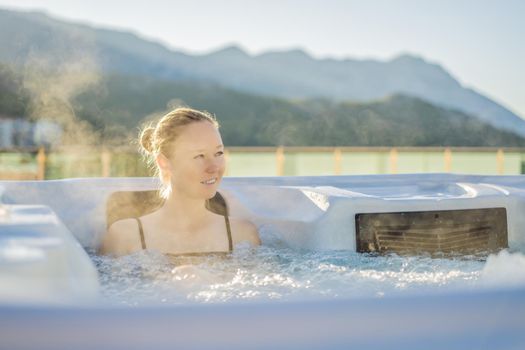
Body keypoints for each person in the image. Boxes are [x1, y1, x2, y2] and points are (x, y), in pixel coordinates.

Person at [100, 107, 260, 258]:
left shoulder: (242, 235)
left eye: (218, 153)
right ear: (164, 162)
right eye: (199, 156)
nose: (213, 168)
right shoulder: (125, 236)